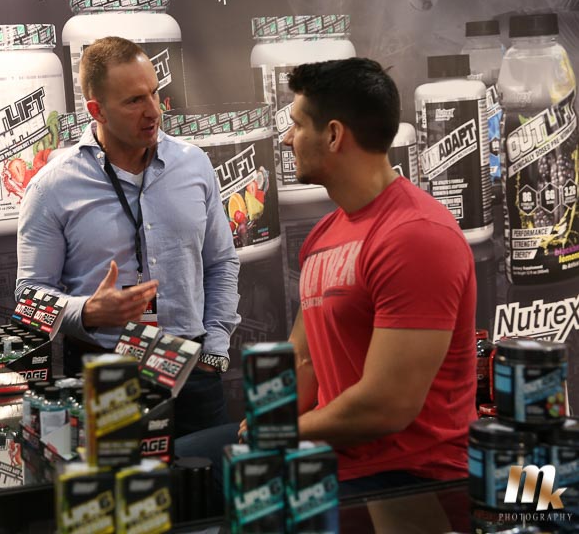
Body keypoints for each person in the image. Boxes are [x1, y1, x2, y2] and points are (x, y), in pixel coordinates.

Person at [179, 58, 477, 497]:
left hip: (408, 476)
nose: (286, 139)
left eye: (297, 125)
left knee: (220, 492)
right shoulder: (324, 235)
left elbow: (388, 407)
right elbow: (304, 357)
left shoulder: (416, 236)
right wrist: (266, 420)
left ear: (334, 135)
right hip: (331, 453)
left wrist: (280, 433)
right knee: (175, 467)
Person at [16, 36, 241, 437]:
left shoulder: (194, 165)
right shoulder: (52, 187)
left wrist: (215, 348)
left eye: (154, 92)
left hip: (194, 372)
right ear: (96, 110)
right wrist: (87, 311)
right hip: (105, 373)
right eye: (134, 101)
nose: (153, 110)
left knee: (206, 476)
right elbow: (28, 298)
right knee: (117, 479)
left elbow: (221, 262)